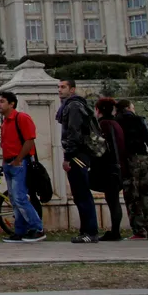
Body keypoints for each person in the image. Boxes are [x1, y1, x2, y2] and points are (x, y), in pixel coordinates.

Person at [0, 91, 45, 243]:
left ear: (12, 104)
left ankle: (37, 228)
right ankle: (20, 230)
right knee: (14, 199)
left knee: (20, 197)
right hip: (9, 163)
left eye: (2, 101)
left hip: (20, 163)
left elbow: (29, 140)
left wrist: (18, 159)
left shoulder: (21, 118)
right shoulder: (5, 122)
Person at [115, 99, 148, 240]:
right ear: (127, 108)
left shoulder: (117, 122)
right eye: (132, 107)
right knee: (146, 193)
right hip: (143, 159)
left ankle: (139, 230)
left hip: (128, 161)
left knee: (132, 196)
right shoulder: (139, 120)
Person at [58, 79, 99, 243]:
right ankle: (86, 231)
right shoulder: (70, 105)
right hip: (77, 154)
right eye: (59, 87)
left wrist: (68, 157)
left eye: (63, 87)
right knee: (80, 196)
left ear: (72, 89)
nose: (60, 90)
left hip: (78, 156)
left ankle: (90, 232)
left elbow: (73, 133)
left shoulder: (74, 106)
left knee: (82, 195)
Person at [92, 98, 127, 241]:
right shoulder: (115, 124)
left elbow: (100, 147)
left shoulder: (103, 124)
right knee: (113, 200)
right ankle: (115, 231)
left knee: (112, 200)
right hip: (118, 167)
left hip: (108, 167)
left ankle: (115, 232)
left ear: (98, 110)